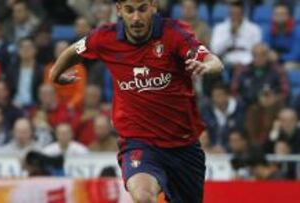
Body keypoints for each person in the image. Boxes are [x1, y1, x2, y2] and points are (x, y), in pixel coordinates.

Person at [50, 0, 223, 202]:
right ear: (119, 10)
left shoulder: (173, 33)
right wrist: (55, 73)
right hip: (140, 143)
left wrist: (208, 67)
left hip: (183, 145)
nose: (136, 18)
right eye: (129, 10)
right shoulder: (105, 37)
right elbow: (75, 50)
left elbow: (214, 61)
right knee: (143, 196)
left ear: (153, 7)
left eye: (142, 9)